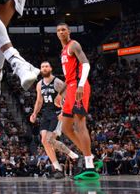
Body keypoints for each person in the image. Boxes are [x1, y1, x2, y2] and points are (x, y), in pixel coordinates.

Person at [56, 22, 97, 180]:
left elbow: (86, 64)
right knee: (66, 128)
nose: (61, 32)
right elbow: (68, 76)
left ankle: (89, 166)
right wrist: (61, 92)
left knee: (80, 125)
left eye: (63, 29)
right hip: (71, 88)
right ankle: (90, 156)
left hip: (79, 87)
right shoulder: (63, 50)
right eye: (59, 30)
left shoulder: (74, 45)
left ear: (69, 31)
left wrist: (80, 85)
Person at [29, 61, 71, 179]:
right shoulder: (39, 84)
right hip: (46, 114)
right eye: (42, 67)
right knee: (44, 141)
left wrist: (64, 112)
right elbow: (39, 101)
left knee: (50, 140)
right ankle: (57, 168)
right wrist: (34, 113)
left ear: (51, 68)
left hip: (56, 114)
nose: (44, 68)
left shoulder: (57, 82)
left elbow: (68, 97)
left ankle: (73, 158)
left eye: (46, 66)